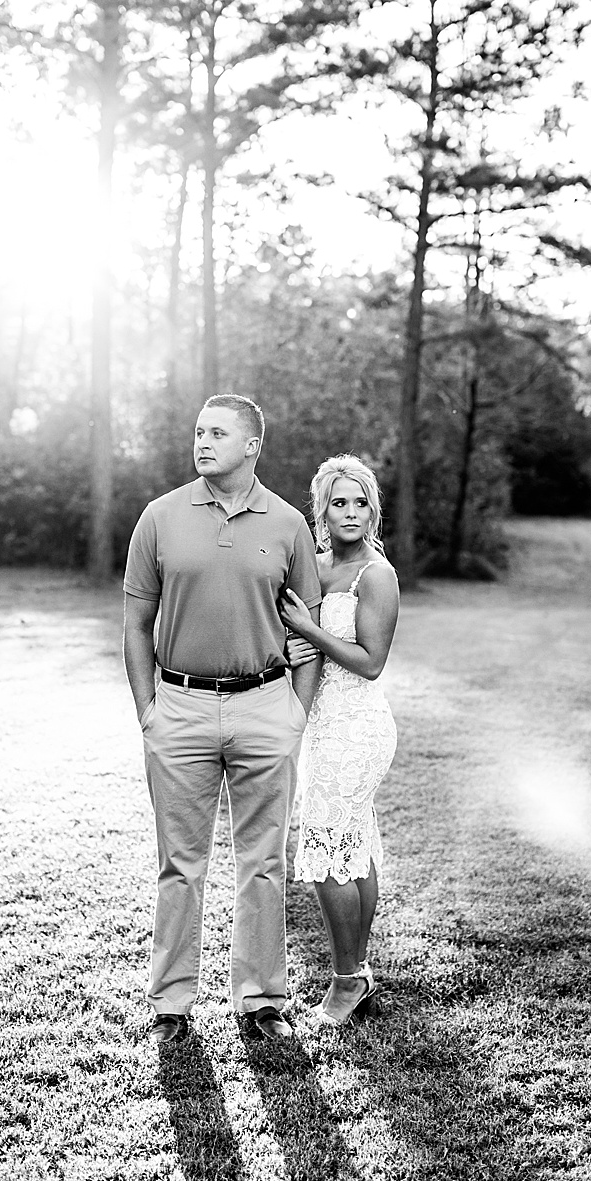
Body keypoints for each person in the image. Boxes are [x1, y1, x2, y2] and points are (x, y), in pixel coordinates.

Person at [122, 393, 322, 1044]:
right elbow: (134, 622)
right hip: (177, 707)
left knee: (263, 862)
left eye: (216, 432)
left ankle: (262, 1001)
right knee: (180, 865)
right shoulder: (159, 517)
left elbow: (307, 631)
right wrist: (148, 710)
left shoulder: (290, 524)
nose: (201, 441)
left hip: (266, 704)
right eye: (197, 431)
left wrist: (296, 711)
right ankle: (170, 1008)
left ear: (252, 446)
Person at [278, 454, 401, 1028]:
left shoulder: (375, 574)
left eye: (359, 502)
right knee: (352, 842)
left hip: (357, 727)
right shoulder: (318, 565)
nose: (349, 512)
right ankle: (359, 968)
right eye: (338, 502)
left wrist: (308, 628)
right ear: (321, 510)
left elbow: (370, 662)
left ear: (372, 510)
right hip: (320, 723)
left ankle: (346, 978)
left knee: (329, 849)